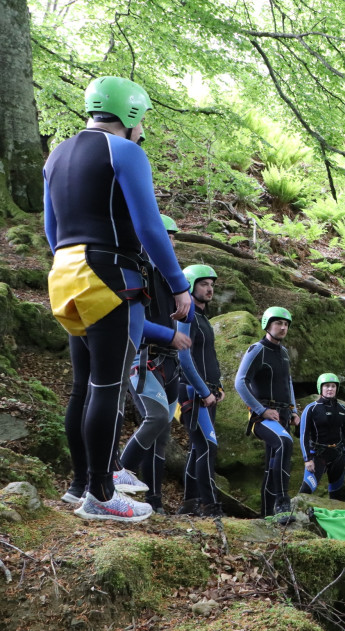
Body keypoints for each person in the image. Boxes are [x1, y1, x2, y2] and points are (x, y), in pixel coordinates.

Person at [45, 75, 191, 522]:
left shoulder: (57, 155)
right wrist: (178, 283)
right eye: (142, 119)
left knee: (81, 387)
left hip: (64, 272)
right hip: (108, 274)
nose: (143, 129)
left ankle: (78, 485)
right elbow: (149, 228)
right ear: (129, 115)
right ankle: (102, 492)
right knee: (106, 386)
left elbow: (52, 231)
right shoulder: (125, 151)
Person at [117, 215, 194, 514]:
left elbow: (188, 316)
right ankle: (111, 480)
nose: (170, 242)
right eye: (165, 236)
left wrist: (182, 291)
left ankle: (154, 501)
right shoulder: (137, 272)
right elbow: (134, 323)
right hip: (145, 358)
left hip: (170, 363)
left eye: (173, 237)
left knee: (162, 437)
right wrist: (169, 334)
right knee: (158, 417)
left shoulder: (170, 277)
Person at [235, 307, 299, 522]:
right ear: (267, 324)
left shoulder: (283, 353)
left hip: (282, 414)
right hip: (262, 416)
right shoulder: (257, 349)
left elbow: (287, 383)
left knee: (273, 462)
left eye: (286, 324)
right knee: (284, 443)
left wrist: (293, 410)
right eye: (278, 323)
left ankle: (267, 514)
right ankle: (282, 504)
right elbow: (240, 381)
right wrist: (261, 410)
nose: (283, 327)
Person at [175, 264, 225, 517]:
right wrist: (204, 391)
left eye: (212, 285)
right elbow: (184, 358)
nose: (210, 288)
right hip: (193, 392)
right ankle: (210, 505)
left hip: (207, 392)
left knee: (198, 448)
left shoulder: (203, 317)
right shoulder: (188, 314)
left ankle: (189, 502)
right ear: (191, 285)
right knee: (207, 446)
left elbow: (209, 356)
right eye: (204, 284)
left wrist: (218, 387)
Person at [298, 373, 345, 500]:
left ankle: (333, 519)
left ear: (337, 388)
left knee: (336, 495)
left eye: (333, 386)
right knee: (306, 491)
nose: (330, 389)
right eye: (327, 386)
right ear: (320, 388)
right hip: (317, 455)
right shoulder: (311, 409)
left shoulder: (342, 409)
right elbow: (304, 436)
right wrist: (307, 459)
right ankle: (294, 516)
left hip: (337, 455)